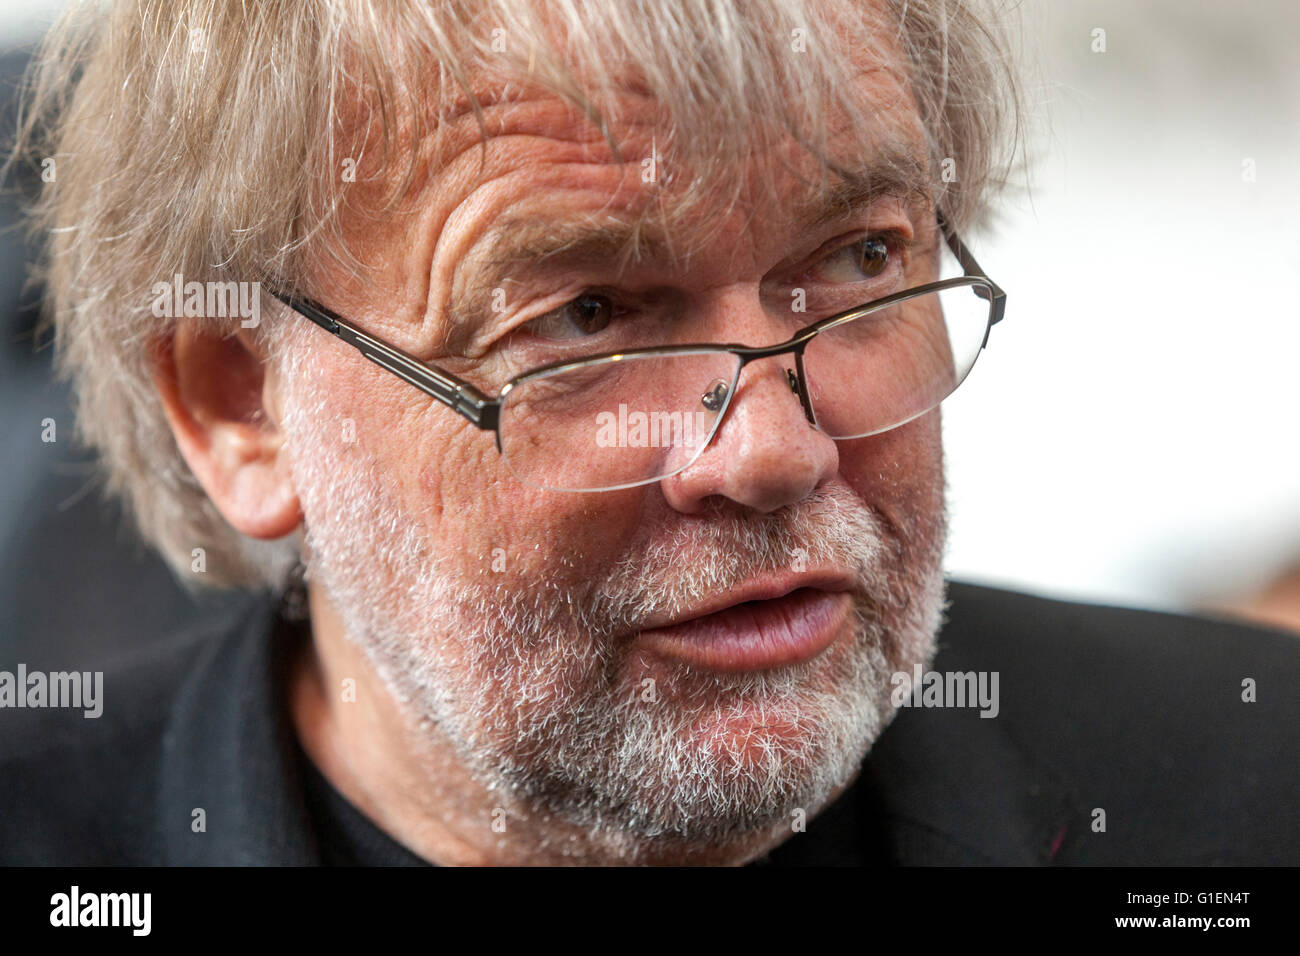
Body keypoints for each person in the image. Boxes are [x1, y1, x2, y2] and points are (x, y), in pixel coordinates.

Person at [1, 0, 1295, 867]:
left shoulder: (1250, 790)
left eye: (856, 258)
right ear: (242, 404)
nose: (774, 451)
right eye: (590, 316)